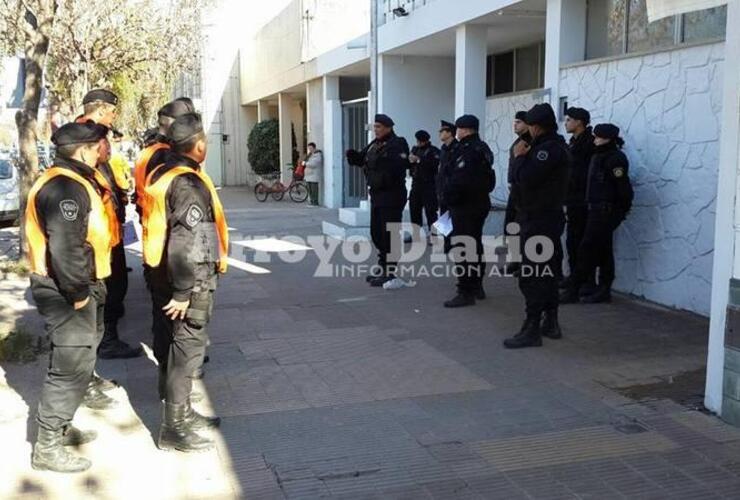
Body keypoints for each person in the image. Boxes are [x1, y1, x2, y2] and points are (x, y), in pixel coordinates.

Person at [26, 122, 113, 472]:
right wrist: (78, 293)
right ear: (82, 150)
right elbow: (65, 246)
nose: (100, 154)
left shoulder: (67, 180)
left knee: (74, 362)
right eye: (97, 148)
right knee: (69, 365)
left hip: (72, 284)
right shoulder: (64, 187)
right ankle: (47, 447)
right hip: (66, 289)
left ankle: (59, 427)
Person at [144, 113, 228, 451]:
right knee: (187, 351)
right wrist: (184, 292)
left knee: (174, 346)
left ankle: (182, 411)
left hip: (163, 273)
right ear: (198, 144)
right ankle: (173, 428)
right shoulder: (187, 183)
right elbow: (186, 241)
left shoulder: (163, 171)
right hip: (188, 281)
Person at [78, 89, 142, 360]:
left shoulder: (94, 134)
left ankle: (106, 337)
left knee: (116, 286)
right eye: (113, 112)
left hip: (109, 232)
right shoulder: (85, 136)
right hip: (97, 237)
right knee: (108, 289)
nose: (115, 117)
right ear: (101, 110)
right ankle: (105, 342)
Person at [503, 103, 570, 348]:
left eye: (529, 126)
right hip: (542, 217)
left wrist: (520, 158)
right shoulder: (550, 146)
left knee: (532, 275)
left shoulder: (547, 150)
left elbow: (526, 178)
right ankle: (550, 321)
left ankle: (532, 327)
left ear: (536, 126)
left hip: (539, 219)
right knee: (547, 272)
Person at [560, 123, 633, 304]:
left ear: (607, 139)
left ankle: (575, 289)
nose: (595, 139)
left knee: (587, 249)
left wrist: (619, 213)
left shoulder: (615, 159)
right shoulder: (598, 156)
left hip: (604, 212)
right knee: (604, 251)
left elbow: (623, 190)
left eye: (598, 137)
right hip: (594, 210)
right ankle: (603, 289)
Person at [346, 114, 409, 287]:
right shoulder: (374, 144)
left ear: (389, 127)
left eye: (379, 127)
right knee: (377, 233)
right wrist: (353, 156)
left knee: (390, 233)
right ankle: (383, 267)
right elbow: (362, 159)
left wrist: (381, 173)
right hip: (377, 195)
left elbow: (398, 166)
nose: (376, 130)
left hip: (392, 195)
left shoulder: (398, 143)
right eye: (375, 127)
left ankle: (390, 271)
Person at [443, 115, 495, 308]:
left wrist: (449, 198)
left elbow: (460, 180)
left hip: (466, 205)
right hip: (478, 204)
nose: (456, 132)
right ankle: (476, 285)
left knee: (465, 247)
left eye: (458, 128)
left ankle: (465, 291)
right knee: (475, 245)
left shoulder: (468, 150)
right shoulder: (482, 148)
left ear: (465, 129)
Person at [561, 107, 595, 292]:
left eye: (569, 120)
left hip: (582, 200)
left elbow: (583, 173)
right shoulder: (574, 142)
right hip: (572, 199)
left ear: (579, 122)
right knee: (572, 241)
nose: (566, 123)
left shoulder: (588, 143)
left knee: (583, 243)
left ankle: (585, 281)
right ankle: (574, 277)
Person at [501, 111, 531, 274]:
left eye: (519, 122)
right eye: (515, 122)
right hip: (515, 190)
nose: (515, 125)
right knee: (511, 226)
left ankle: (524, 263)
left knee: (522, 227)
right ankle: (515, 260)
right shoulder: (518, 142)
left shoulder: (529, 143)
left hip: (524, 192)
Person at [408, 130, 440, 244]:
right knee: (414, 210)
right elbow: (410, 164)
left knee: (431, 211)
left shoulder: (433, 151)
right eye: (417, 141)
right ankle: (416, 234)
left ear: (425, 141)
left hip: (429, 185)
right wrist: (410, 160)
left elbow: (434, 165)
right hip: (416, 184)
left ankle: (434, 236)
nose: (418, 143)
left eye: (420, 141)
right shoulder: (415, 149)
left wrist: (420, 160)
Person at [436, 120, 458, 216]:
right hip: (443, 190)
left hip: (453, 191)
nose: (440, 133)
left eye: (442, 131)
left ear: (449, 133)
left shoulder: (457, 148)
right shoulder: (443, 148)